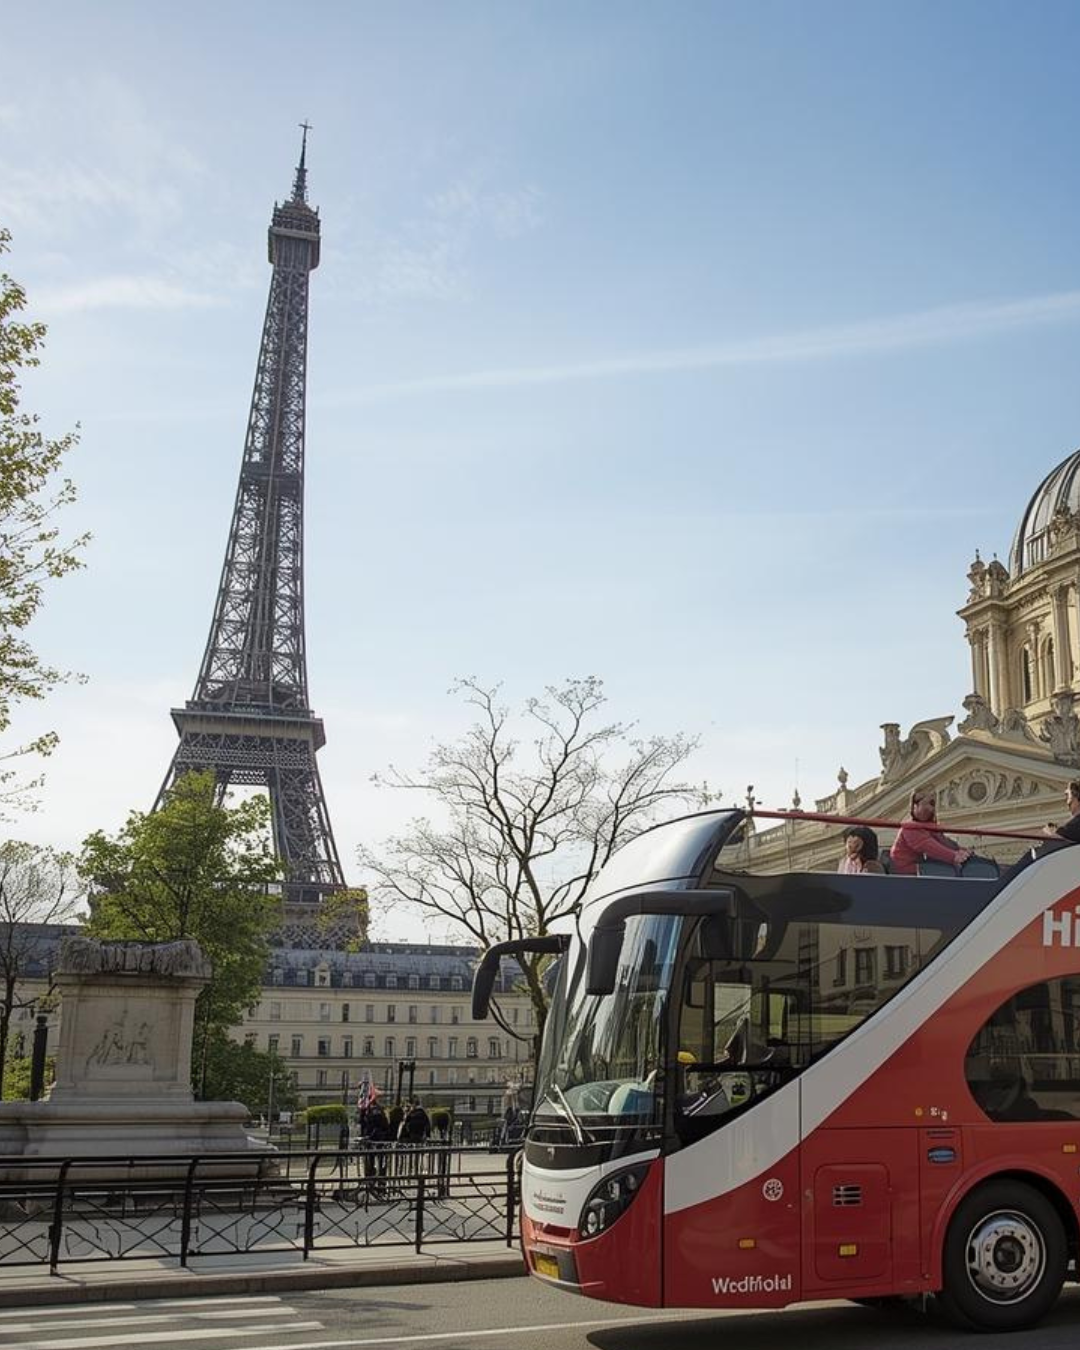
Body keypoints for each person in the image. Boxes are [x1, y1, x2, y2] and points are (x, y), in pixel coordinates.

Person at [889, 787, 973, 876]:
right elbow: (928, 846)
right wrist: (954, 856)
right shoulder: (910, 828)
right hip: (904, 871)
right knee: (944, 871)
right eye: (928, 803)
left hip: (918, 867)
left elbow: (942, 841)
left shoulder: (928, 826)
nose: (931, 809)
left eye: (932, 804)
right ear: (915, 805)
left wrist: (961, 850)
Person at [1043, 780, 1080, 845]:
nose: (1066, 800)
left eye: (1067, 795)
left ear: (1077, 797)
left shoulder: (1071, 828)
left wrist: (1052, 833)